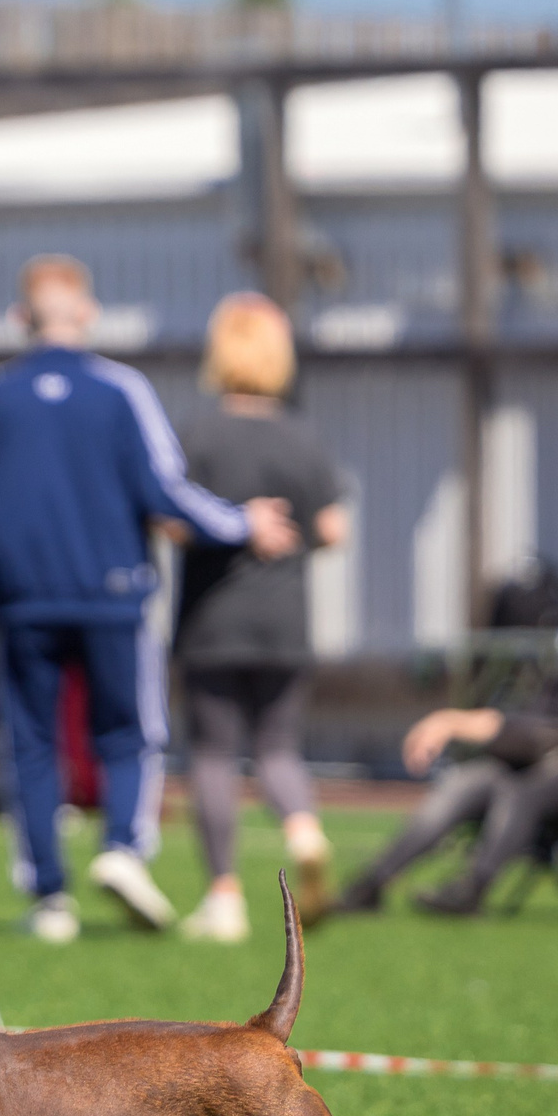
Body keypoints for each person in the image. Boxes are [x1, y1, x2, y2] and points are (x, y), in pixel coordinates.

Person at [0, 254, 293, 944]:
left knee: (31, 743)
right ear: (86, 311)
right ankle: (121, 846)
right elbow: (163, 488)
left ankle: (49, 897)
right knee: (127, 732)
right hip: (112, 590)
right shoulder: (120, 389)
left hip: (21, 594)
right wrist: (243, 523)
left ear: (19, 318)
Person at [336, 562, 558, 916]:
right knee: (470, 781)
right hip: (548, 763)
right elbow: (534, 721)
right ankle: (372, 883)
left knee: (521, 792)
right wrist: (451, 721)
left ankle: (472, 889)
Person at [169, 293, 345, 943]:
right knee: (277, 746)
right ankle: (303, 829)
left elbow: (172, 521)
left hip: (214, 619)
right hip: (285, 618)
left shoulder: (198, 433)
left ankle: (224, 897)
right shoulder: (301, 435)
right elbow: (333, 528)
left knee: (213, 754)